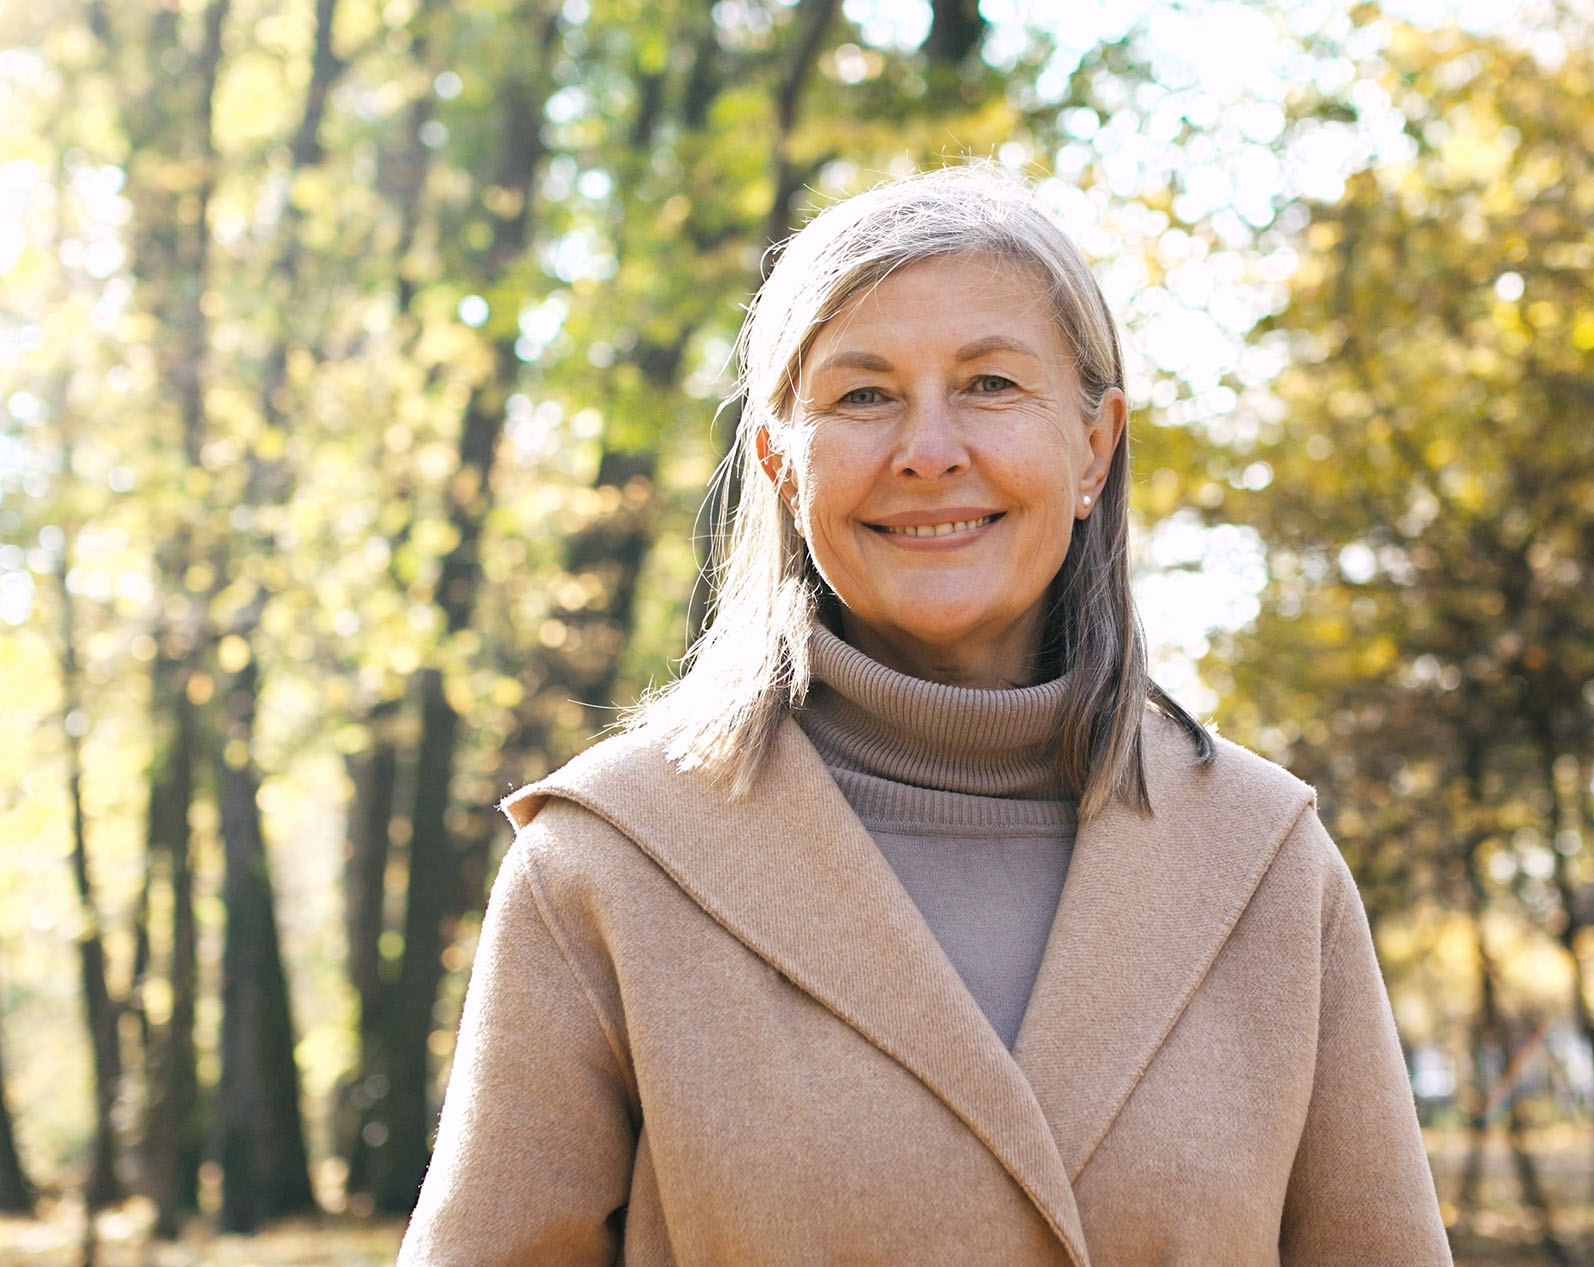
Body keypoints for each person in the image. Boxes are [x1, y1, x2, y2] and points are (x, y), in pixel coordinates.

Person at [398, 165, 1451, 1265]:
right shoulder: (607, 866)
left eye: (991, 384)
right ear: (780, 466)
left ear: (1094, 448)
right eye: (863, 395)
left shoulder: (1264, 859)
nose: (929, 450)